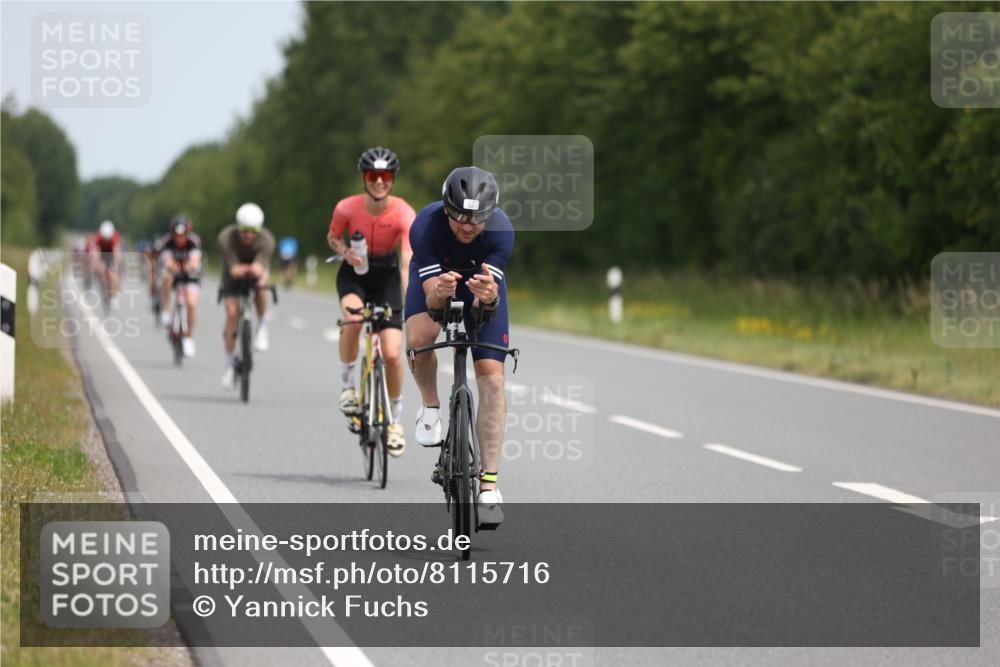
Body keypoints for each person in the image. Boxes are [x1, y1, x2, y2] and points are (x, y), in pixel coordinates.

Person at [405, 166, 514, 527]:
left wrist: (487, 298)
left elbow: (485, 308)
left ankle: (489, 487)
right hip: (436, 285)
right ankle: (431, 406)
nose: (467, 225)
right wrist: (440, 292)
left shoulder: (501, 232)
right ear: (446, 208)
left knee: (493, 380)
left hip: (480, 288)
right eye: (459, 216)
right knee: (420, 340)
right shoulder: (425, 227)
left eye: (477, 218)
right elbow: (434, 306)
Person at [327, 147, 416, 456]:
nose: (379, 181)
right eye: (372, 176)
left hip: (388, 277)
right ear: (364, 178)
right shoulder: (346, 208)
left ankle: (395, 420)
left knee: (392, 353)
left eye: (385, 176)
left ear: (392, 179)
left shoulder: (404, 213)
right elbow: (333, 237)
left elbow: (407, 262)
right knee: (352, 321)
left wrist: (414, 303)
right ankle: (347, 388)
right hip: (355, 274)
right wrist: (344, 251)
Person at [218, 202, 276, 390]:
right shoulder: (226, 237)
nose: (249, 235)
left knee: (261, 283)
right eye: (244, 231)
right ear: (238, 228)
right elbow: (233, 269)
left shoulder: (267, 239)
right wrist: (240, 269)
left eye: (253, 231)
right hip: (232, 275)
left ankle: (262, 325)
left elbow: (260, 266)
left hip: (255, 272)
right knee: (233, 313)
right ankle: (228, 364)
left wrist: (255, 271)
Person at [158, 215, 203, 357]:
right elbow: (167, 260)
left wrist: (189, 267)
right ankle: (166, 309)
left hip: (191, 274)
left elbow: (195, 260)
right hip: (174, 272)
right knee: (166, 277)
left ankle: (189, 337)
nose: (180, 238)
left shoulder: (193, 241)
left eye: (183, 235)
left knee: (191, 302)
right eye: (177, 235)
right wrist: (173, 267)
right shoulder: (167, 241)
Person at [92, 220, 123, 307]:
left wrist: (116, 263)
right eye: (104, 239)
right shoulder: (99, 237)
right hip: (103, 254)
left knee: (114, 275)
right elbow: (96, 252)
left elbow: (117, 252)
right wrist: (96, 263)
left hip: (111, 255)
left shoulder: (115, 237)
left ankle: (115, 296)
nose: (106, 241)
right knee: (100, 269)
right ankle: (102, 283)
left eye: (107, 239)